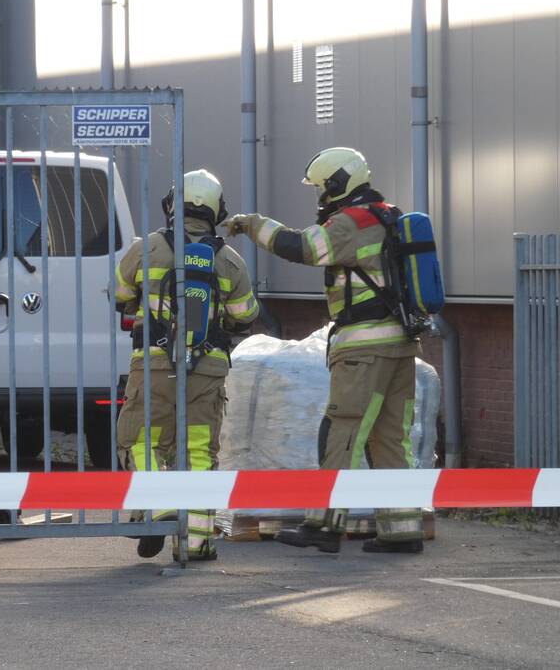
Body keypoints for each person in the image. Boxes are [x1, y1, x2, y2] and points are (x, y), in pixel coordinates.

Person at [222, 147, 424, 554]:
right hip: (400, 346)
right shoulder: (389, 215)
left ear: (337, 184)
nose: (320, 197)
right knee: (390, 438)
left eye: (321, 188)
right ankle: (402, 529)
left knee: (341, 429)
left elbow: (302, 248)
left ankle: (326, 525)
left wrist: (252, 224)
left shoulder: (352, 222)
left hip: (364, 348)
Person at [114, 169, 259, 561]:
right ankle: (196, 541)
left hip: (155, 362)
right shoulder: (229, 260)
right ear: (217, 210)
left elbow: (120, 293)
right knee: (197, 451)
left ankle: (156, 506)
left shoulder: (146, 249)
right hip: (208, 367)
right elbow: (245, 315)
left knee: (141, 438)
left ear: (172, 206)